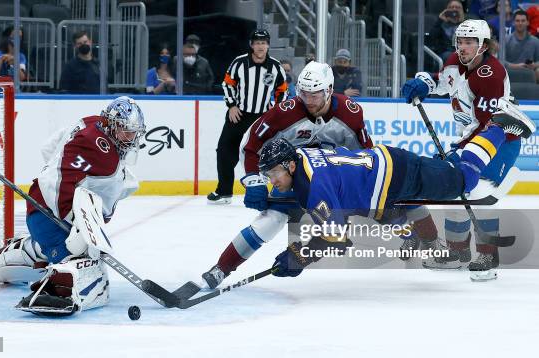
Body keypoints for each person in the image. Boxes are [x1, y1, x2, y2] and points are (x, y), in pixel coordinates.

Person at [201, 61, 449, 288]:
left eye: (315, 93)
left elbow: (365, 153)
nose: (308, 99)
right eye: (304, 93)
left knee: (386, 204)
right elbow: (251, 146)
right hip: (293, 178)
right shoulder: (284, 112)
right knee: (271, 220)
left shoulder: (350, 113)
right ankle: (221, 269)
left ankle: (418, 237)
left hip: (333, 179)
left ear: (329, 89)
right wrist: (254, 181)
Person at [265, 102, 534, 277]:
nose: (272, 180)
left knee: (464, 180)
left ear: (289, 165)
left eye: (274, 173)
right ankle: (419, 231)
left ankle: (499, 125)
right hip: (382, 177)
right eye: (268, 174)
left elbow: (336, 238)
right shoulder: (301, 155)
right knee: (387, 213)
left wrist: (299, 256)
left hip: (396, 176)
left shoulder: (314, 187)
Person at [0, 97, 146, 315]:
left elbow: (50, 147)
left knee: (67, 249)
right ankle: (51, 288)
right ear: (112, 125)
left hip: (42, 206)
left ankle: (11, 256)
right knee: (86, 267)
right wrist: (76, 221)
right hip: (47, 215)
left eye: (134, 131)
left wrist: (56, 179)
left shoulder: (91, 122)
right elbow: (105, 207)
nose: (132, 137)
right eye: (127, 130)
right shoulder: (106, 159)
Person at [401, 19, 526, 280]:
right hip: (471, 139)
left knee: (480, 192)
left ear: (483, 45)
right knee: (452, 191)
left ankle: (488, 253)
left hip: (500, 141)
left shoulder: (491, 74)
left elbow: (488, 126)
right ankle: (458, 253)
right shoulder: (454, 63)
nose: (463, 47)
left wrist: (458, 150)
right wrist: (425, 84)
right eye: (460, 41)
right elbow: (444, 82)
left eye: (469, 42)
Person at [207, 29, 288, 204]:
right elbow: (227, 84)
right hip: (239, 114)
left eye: (264, 42)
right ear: (251, 45)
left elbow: (282, 91)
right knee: (224, 150)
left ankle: (275, 190)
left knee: (268, 154)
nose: (260, 46)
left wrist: (275, 113)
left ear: (268, 45)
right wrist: (232, 105)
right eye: (257, 42)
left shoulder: (275, 67)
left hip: (262, 118)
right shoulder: (239, 63)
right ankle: (224, 192)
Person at [503, 10, 539, 82]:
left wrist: (533, 65)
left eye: (523, 21)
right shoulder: (506, 40)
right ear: (513, 23)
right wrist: (515, 66)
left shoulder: (535, 41)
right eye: (517, 21)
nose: (520, 23)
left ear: (527, 22)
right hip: (510, 72)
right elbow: (500, 61)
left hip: (530, 71)